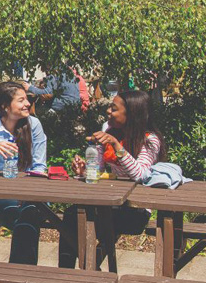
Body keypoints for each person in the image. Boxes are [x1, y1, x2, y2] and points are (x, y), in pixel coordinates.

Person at [59, 90, 166, 268]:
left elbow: (140, 175)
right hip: (108, 205)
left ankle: (89, 274)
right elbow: (99, 170)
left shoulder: (150, 140)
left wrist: (116, 145)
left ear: (131, 114)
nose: (108, 111)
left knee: (77, 221)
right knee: (72, 216)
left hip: (134, 212)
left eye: (114, 109)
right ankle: (67, 277)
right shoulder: (108, 131)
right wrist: (85, 170)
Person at [0, 81, 47, 283]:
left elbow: (39, 166)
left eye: (27, 99)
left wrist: (28, 190)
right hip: (0, 197)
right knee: (27, 222)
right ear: (5, 106)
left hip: (29, 196)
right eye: (21, 100)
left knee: (28, 216)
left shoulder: (34, 125)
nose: (28, 103)